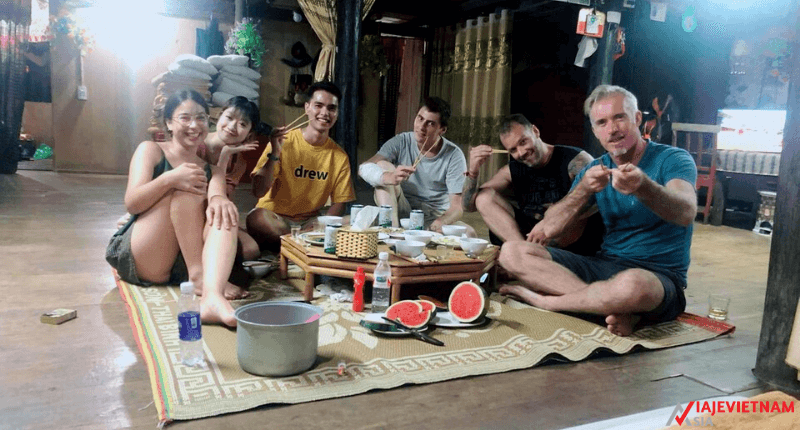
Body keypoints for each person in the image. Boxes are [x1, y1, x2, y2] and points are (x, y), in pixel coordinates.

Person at [498, 85, 698, 336]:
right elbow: (550, 227)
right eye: (602, 123)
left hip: (658, 276)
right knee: (511, 252)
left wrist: (644, 187)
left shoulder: (672, 158)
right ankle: (612, 308)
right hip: (605, 266)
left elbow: (686, 212)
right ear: (595, 131)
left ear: (637, 118)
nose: (612, 129)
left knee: (633, 285)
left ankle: (551, 303)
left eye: (619, 118)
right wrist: (583, 189)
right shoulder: (594, 168)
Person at [105, 89, 244, 327]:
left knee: (224, 210)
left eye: (201, 118)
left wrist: (219, 199)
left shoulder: (212, 169)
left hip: (181, 263)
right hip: (146, 254)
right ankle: (200, 276)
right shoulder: (151, 150)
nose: (194, 125)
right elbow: (133, 203)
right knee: (187, 188)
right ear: (169, 122)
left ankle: (212, 296)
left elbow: (218, 196)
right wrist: (170, 179)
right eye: (185, 118)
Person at [462, 114, 603, 255]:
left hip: (569, 237)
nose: (521, 152)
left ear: (535, 131)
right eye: (513, 150)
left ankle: (532, 255)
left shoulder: (575, 159)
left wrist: (551, 222)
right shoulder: (511, 170)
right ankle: (526, 252)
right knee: (484, 197)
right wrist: (473, 171)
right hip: (529, 237)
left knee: (579, 206)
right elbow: (468, 206)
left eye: (523, 142)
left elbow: (603, 199)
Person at [246, 81, 356, 253]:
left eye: (331, 108)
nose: (325, 113)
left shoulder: (340, 156)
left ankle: (292, 244)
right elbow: (258, 191)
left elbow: (339, 203)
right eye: (318, 106)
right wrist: (275, 152)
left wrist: (322, 223)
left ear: (337, 113)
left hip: (310, 223)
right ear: (307, 108)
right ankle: (302, 244)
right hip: (276, 218)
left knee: (355, 220)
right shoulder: (284, 141)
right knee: (257, 219)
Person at [358, 97, 473, 235]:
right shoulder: (402, 141)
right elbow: (363, 168)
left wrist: (438, 224)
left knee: (469, 233)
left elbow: (456, 208)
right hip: (400, 211)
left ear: (442, 129)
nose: (421, 127)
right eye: (420, 118)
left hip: (433, 217)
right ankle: (391, 231)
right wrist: (389, 177)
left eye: (430, 123)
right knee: (383, 166)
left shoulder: (454, 155)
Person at [200, 96, 266, 261]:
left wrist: (225, 156)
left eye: (242, 124)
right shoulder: (197, 143)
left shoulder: (239, 162)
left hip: (214, 214)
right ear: (219, 115)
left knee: (251, 250)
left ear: (249, 133)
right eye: (229, 117)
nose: (232, 126)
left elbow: (222, 198)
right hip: (190, 210)